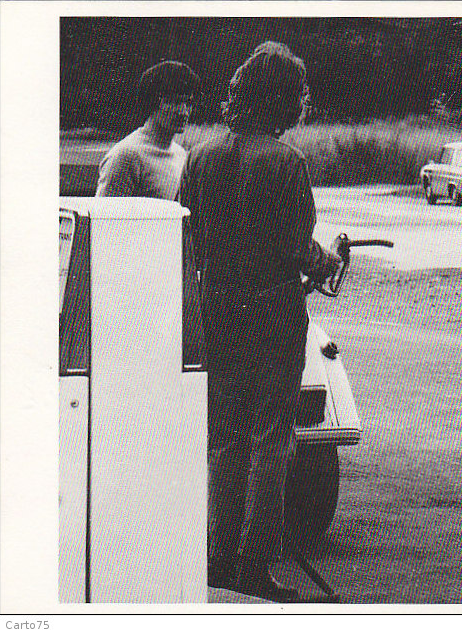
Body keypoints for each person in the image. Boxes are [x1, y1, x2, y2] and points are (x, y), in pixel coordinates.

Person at [179, 41, 342, 602]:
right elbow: (299, 249)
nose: (304, 100)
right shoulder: (285, 161)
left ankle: (218, 557)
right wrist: (328, 260)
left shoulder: (199, 154)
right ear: (281, 100)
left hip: (216, 303)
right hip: (272, 308)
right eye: (298, 91)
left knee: (223, 437)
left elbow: (188, 234)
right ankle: (256, 563)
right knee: (273, 436)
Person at [96, 60, 200, 199]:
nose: (183, 112)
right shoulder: (126, 156)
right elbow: (105, 215)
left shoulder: (181, 155)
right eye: (174, 102)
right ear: (152, 102)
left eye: (188, 103)